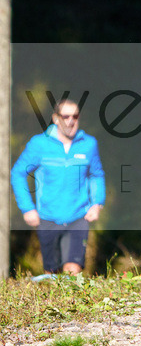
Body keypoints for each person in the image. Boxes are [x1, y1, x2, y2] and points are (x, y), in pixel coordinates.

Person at [11, 98, 105, 276]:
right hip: (48, 216)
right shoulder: (39, 144)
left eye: (75, 116)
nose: (71, 121)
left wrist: (97, 202)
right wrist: (27, 208)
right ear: (56, 118)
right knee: (51, 273)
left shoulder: (88, 144)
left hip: (78, 215)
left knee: (73, 270)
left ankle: (74, 303)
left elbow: (96, 174)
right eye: (66, 116)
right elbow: (18, 174)